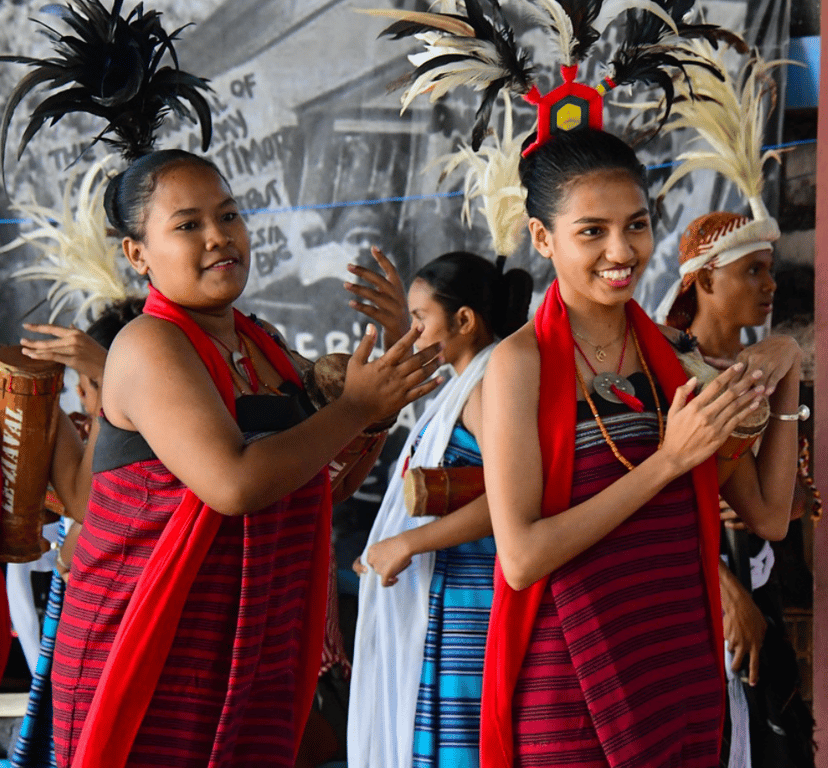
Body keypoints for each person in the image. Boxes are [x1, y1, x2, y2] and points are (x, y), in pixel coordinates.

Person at [49, 149, 442, 768]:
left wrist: (381, 388)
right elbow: (232, 484)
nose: (218, 236)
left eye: (229, 215)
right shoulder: (148, 343)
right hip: (148, 640)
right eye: (188, 224)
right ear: (137, 254)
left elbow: (322, 481)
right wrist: (354, 409)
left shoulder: (264, 342)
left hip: (245, 641)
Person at [478, 127, 801, 768]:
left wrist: (786, 367)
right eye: (591, 231)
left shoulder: (675, 358)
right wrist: (670, 461)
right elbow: (521, 558)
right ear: (542, 238)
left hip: (674, 669)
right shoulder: (519, 364)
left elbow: (768, 515)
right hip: (572, 683)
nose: (622, 251)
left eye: (636, 225)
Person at [347, 249, 532, 768]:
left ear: (464, 321)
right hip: (450, 598)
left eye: (420, 319)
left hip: (471, 605)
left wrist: (407, 543)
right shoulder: (465, 386)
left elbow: (512, 500)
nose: (413, 333)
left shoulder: (489, 387)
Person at [662, 219, 815, 768]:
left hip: (759, 578)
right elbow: (656, 505)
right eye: (752, 270)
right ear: (705, 280)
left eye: (769, 270)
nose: (769, 284)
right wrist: (728, 593)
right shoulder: (667, 370)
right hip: (692, 591)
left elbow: (789, 507)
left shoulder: (768, 367)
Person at [10, 299, 145, 768]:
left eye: (91, 387)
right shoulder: (83, 433)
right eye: (85, 389)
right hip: (83, 645)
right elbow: (80, 504)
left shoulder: (176, 437)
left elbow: (87, 510)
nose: (87, 401)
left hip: (130, 639)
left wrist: (111, 379)